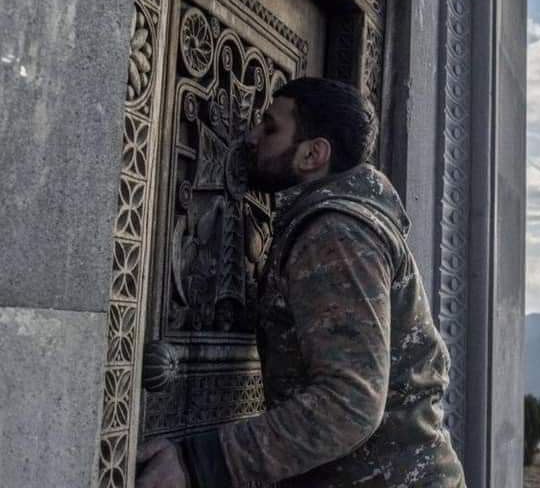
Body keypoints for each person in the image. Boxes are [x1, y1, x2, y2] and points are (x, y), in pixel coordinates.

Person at [136, 78, 466, 487]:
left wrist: (202, 463)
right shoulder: (339, 222)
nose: (251, 137)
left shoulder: (336, 232)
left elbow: (350, 404)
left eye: (270, 127)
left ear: (313, 154)